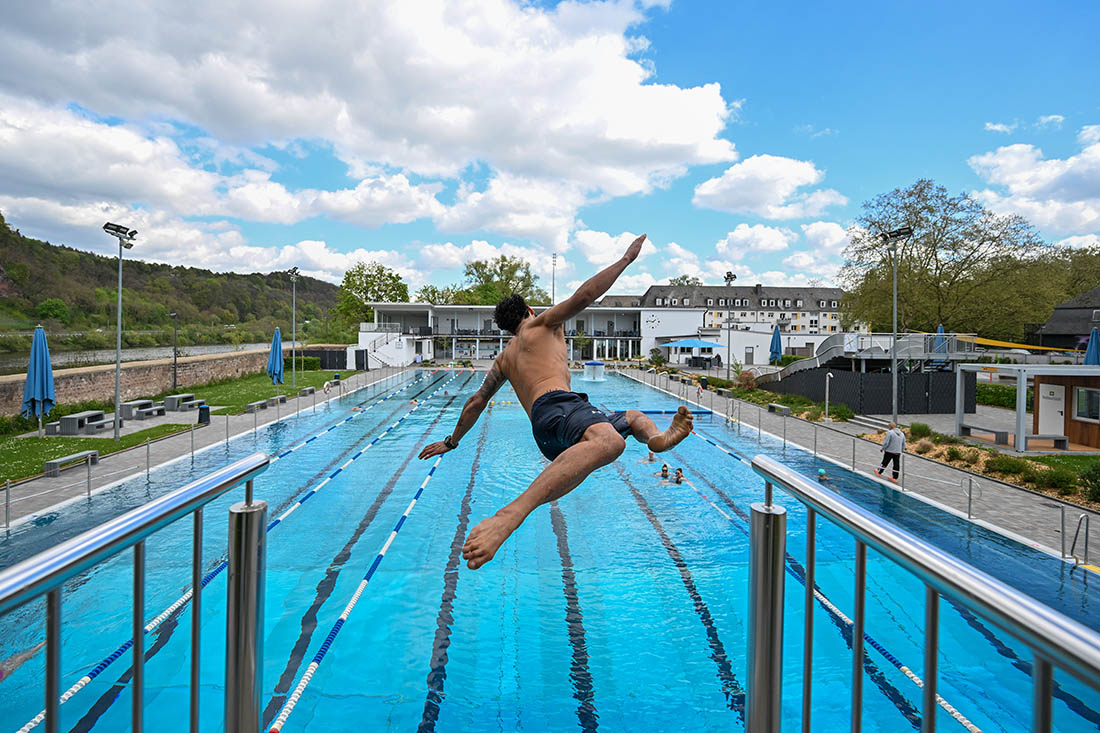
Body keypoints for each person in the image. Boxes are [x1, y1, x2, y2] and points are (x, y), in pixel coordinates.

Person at [419, 234, 693, 569]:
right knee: (610, 442)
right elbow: (586, 295)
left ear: (506, 328)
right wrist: (625, 260)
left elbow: (477, 401)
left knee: (632, 418)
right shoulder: (542, 323)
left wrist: (452, 441)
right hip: (561, 405)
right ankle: (511, 514)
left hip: (549, 432)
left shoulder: (505, 358)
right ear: (529, 311)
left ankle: (657, 439)